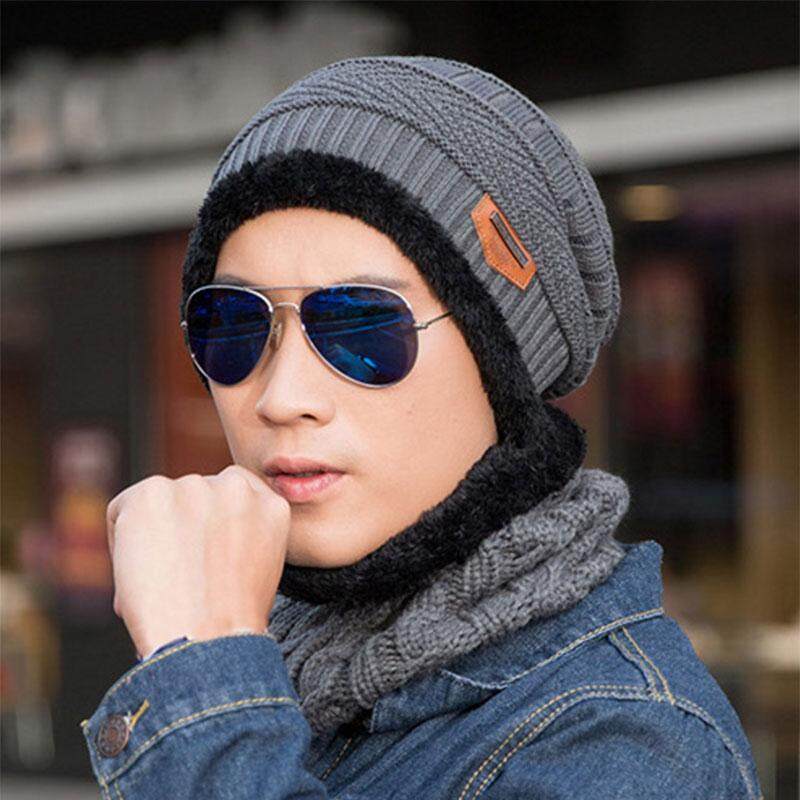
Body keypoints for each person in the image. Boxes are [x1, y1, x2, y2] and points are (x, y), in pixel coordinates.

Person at [80, 55, 763, 799]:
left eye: (362, 327)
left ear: (502, 367)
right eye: (234, 326)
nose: (281, 396)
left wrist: (205, 681)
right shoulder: (268, 652)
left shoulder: (629, 742)